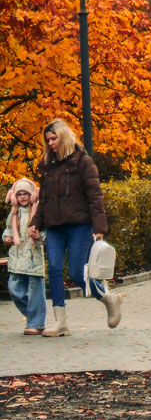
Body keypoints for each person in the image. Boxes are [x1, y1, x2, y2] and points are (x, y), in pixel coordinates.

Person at [29, 119, 122, 336]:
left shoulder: (83, 162)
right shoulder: (48, 165)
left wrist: (99, 228)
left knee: (77, 273)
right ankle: (60, 323)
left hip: (79, 226)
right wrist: (35, 223)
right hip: (54, 227)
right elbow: (44, 200)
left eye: (54, 138)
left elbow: (95, 196)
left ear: (64, 137)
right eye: (48, 140)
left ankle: (108, 299)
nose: (50, 143)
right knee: (54, 270)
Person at [3, 178, 46, 335]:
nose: (22, 197)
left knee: (35, 292)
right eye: (19, 194)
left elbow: (45, 233)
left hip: (33, 258)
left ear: (32, 195)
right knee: (14, 288)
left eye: (25, 194)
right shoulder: (13, 214)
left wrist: (38, 236)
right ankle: (34, 315)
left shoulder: (39, 213)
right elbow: (8, 229)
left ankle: (36, 323)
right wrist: (7, 237)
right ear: (14, 196)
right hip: (17, 258)